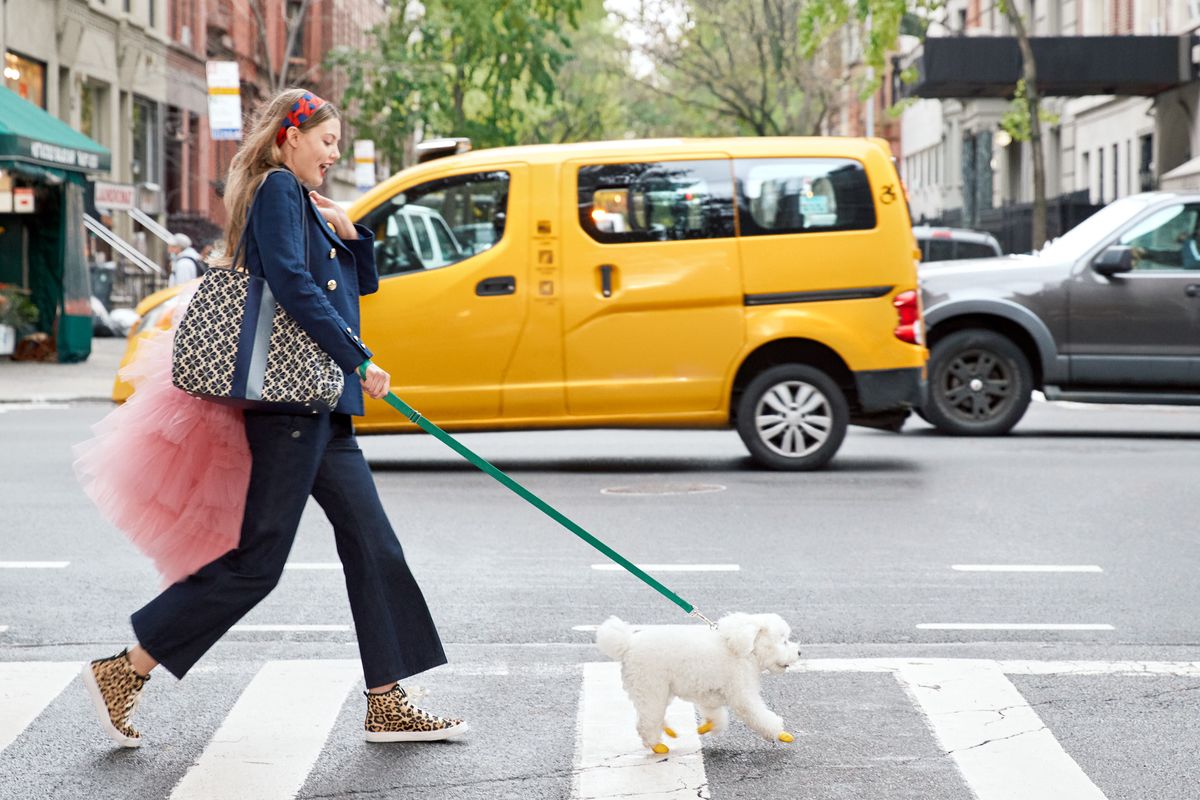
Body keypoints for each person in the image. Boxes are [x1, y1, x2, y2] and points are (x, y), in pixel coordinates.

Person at [77, 88, 465, 749]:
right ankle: (128, 669)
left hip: (319, 407)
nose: (334, 153)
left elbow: (352, 285)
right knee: (258, 564)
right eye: (327, 140)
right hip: (290, 406)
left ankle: (386, 700)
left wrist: (349, 232)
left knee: (375, 546)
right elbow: (290, 280)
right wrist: (356, 356)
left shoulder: (304, 201)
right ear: (290, 137)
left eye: (339, 143)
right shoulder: (277, 189)